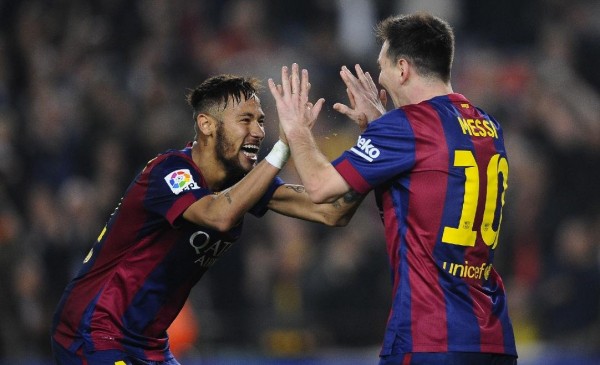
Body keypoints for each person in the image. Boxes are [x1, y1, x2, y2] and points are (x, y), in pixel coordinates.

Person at [50, 74, 363, 365]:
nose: (258, 131)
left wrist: (372, 149)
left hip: (148, 344)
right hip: (95, 331)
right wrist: (283, 147)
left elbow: (331, 210)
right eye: (246, 120)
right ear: (207, 124)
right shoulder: (169, 171)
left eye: (261, 121)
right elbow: (219, 214)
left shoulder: (242, 183)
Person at [268, 12, 517, 365]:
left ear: (402, 69)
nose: (380, 78)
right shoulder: (489, 126)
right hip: (492, 338)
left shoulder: (408, 127)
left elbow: (322, 187)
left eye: (382, 67)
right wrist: (380, 130)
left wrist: (295, 129)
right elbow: (431, 181)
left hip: (429, 338)